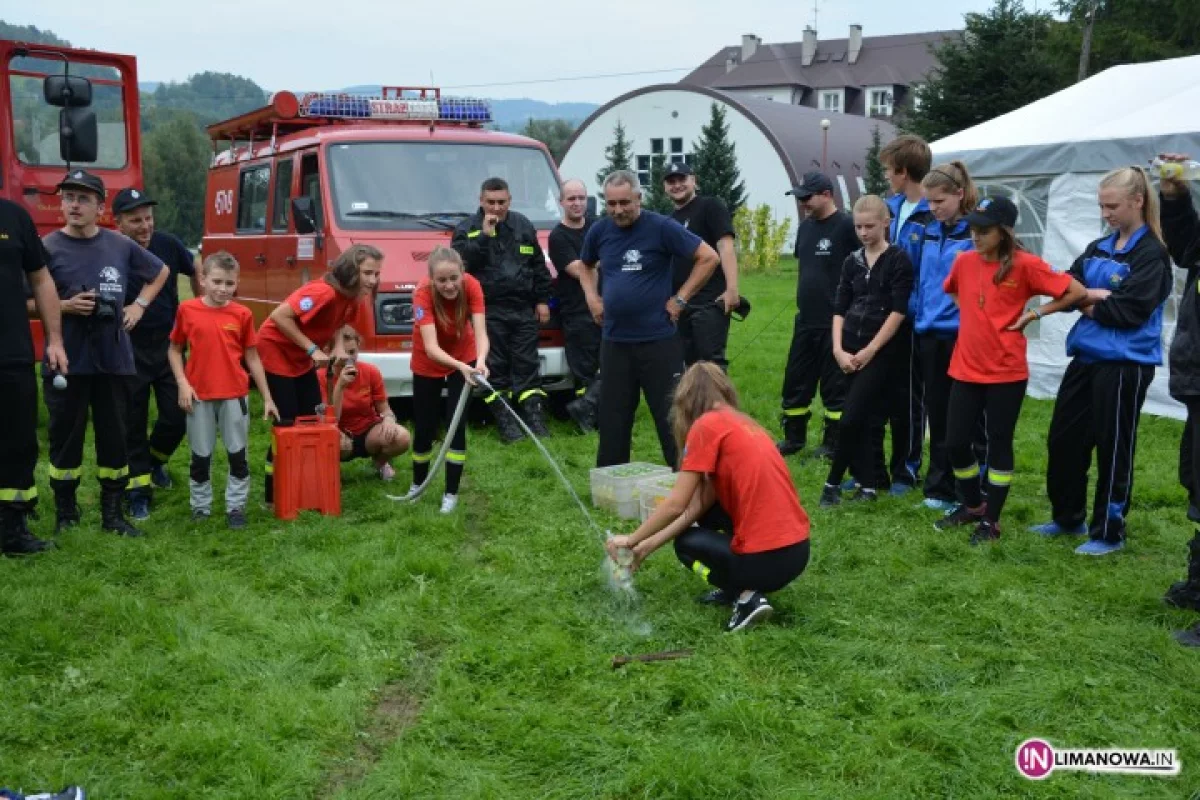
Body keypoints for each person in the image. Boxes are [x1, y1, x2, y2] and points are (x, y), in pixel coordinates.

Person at [605, 363, 811, 633]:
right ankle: (739, 589)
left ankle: (746, 597)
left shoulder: (706, 426)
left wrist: (630, 540)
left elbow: (677, 504)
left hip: (766, 561)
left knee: (687, 545)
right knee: (708, 513)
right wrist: (644, 548)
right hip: (797, 553)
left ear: (685, 401)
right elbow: (697, 505)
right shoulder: (742, 423)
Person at [1032, 167, 1173, 556]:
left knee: (1113, 446)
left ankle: (1109, 531)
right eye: (1101, 206)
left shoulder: (1152, 255)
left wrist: (1084, 299)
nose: (1105, 213)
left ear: (1138, 201)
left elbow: (1128, 312)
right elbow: (1065, 286)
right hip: (1086, 357)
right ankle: (1067, 518)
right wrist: (1089, 297)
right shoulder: (1098, 247)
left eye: (1112, 206)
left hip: (1126, 364)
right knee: (1064, 440)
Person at [931, 197, 1085, 544]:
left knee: (999, 443)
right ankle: (972, 506)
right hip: (965, 368)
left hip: (1006, 373)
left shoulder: (1026, 265)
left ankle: (992, 521)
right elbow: (954, 292)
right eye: (973, 228)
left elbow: (1076, 292)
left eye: (984, 231)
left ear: (1004, 232)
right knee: (955, 442)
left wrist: (1034, 314)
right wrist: (976, 318)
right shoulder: (964, 262)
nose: (976, 236)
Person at [41, 170, 170, 537]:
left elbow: (160, 271)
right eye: (68, 197)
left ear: (100, 207)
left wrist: (139, 306)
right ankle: (66, 512)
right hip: (66, 358)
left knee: (116, 437)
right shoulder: (47, 247)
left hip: (114, 360)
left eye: (83, 199)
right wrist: (64, 306)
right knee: (65, 437)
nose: (74, 205)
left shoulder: (120, 245)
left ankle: (113, 515)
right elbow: (27, 301)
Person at [575, 169, 719, 468]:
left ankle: (684, 476)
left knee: (670, 415)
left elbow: (709, 257)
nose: (618, 210)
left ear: (639, 198)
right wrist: (592, 297)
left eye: (625, 202)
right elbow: (585, 266)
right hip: (614, 340)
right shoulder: (599, 231)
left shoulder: (662, 227)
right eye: (611, 204)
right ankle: (611, 481)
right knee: (613, 416)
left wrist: (681, 298)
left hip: (658, 340)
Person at [256, 244, 379, 506]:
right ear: (351, 271)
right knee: (287, 423)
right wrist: (312, 348)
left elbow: (339, 323)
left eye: (376, 274)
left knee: (314, 418)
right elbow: (279, 317)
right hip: (276, 352)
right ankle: (272, 495)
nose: (373, 280)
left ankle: (305, 487)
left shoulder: (352, 298)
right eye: (368, 273)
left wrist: (335, 346)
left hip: (301, 358)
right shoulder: (322, 292)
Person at [168, 252, 279, 527]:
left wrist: (267, 397)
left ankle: (236, 507)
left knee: (237, 455)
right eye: (217, 281)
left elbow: (252, 357)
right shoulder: (187, 310)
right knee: (200, 456)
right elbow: (174, 349)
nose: (222, 289)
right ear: (203, 279)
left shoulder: (241, 314)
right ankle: (201, 507)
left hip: (234, 396)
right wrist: (182, 382)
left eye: (229, 283)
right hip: (198, 396)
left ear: (236, 283)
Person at [818, 195, 913, 507]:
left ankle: (832, 483)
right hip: (848, 346)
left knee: (851, 417)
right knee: (860, 417)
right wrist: (837, 349)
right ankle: (868, 484)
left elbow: (898, 312)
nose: (863, 232)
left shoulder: (898, 260)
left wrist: (871, 350)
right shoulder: (852, 261)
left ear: (886, 223)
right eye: (858, 226)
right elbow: (839, 307)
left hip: (881, 350)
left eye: (869, 226)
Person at [112, 187, 199, 520]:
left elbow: (196, 271)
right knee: (132, 421)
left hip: (169, 346)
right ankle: (138, 491)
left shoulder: (168, 243)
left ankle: (156, 460)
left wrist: (203, 309)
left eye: (148, 218)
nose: (145, 226)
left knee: (178, 414)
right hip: (128, 347)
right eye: (136, 221)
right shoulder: (111, 249)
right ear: (118, 223)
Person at [451, 177, 552, 442]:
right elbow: (458, 267)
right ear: (481, 201)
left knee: (527, 365)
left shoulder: (523, 225)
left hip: (522, 309)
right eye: (490, 203)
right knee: (494, 368)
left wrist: (542, 299)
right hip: (487, 310)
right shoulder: (467, 228)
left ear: (510, 200)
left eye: (501, 202)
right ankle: (507, 424)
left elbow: (538, 266)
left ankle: (535, 420)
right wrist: (484, 235)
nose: (496, 208)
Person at [914, 161, 983, 513]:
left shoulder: (975, 234)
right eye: (929, 202)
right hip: (929, 333)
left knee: (966, 416)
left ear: (959, 194)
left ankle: (970, 487)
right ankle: (938, 486)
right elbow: (921, 279)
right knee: (936, 412)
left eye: (939, 201)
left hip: (961, 335)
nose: (933, 208)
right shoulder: (929, 230)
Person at [776, 171, 859, 459]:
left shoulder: (848, 226)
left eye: (807, 198)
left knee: (835, 387)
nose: (802, 204)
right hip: (805, 320)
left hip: (835, 322)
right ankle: (793, 437)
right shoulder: (806, 228)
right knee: (795, 381)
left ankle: (834, 444)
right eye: (799, 198)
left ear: (827, 194)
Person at [1, 199, 67, 556]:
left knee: (17, 443)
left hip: (11, 353)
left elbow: (41, 280)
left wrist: (55, 340)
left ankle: (12, 529)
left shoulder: (14, 217)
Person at [1156, 154, 1200, 645]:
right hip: (1196, 376)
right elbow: (1186, 248)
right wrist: (1175, 196)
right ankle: (1198, 584)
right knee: (1195, 478)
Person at [409, 247, 489, 514]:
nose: (449, 285)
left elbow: (481, 333)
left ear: (462, 273)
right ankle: (417, 485)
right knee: (424, 426)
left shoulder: (473, 287)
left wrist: (480, 361)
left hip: (463, 355)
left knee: (457, 424)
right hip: (427, 359)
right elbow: (431, 348)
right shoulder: (422, 294)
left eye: (453, 278)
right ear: (431, 279)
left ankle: (451, 493)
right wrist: (460, 366)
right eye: (441, 280)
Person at [879, 134, 935, 494]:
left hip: (913, 318)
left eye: (888, 170)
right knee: (882, 393)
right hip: (883, 315)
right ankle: (876, 466)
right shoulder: (891, 208)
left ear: (904, 171)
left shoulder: (933, 213)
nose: (885, 176)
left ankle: (907, 469)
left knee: (910, 397)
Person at [663, 161, 740, 369]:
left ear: (694, 181)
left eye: (682, 179)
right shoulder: (668, 220)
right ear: (665, 187)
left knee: (711, 362)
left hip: (710, 301)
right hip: (679, 302)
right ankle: (694, 403)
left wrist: (732, 289)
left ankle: (718, 402)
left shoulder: (710, 206)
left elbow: (725, 246)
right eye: (671, 181)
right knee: (687, 364)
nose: (677, 185)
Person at [319, 327, 410, 480]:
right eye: (344, 354)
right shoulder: (322, 377)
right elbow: (331, 420)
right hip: (338, 431)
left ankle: (381, 462)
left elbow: (385, 408)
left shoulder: (370, 371)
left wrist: (388, 420)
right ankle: (329, 469)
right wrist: (340, 386)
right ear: (330, 352)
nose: (349, 359)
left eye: (353, 352)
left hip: (368, 430)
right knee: (336, 441)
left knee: (402, 437)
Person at [547, 178, 602, 433]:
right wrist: (603, 264)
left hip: (605, 306)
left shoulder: (597, 226)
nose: (577, 203)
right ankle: (587, 416)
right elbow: (578, 271)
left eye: (581, 198)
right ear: (561, 202)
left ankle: (588, 410)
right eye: (571, 199)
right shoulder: (558, 237)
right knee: (585, 370)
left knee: (611, 363)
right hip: (578, 311)